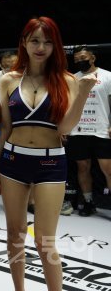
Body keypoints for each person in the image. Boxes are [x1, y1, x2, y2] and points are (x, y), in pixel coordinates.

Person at [0, 17, 97, 291]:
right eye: (35, 41)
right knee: (15, 235)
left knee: (44, 241)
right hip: (12, 160)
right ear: (24, 43)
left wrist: (83, 94)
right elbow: (6, 126)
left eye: (48, 42)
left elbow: (65, 128)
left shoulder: (67, 80)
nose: (41, 47)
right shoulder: (8, 80)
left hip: (51, 163)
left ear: (56, 46)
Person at [65, 45, 111, 216]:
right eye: (76, 59)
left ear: (92, 58)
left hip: (102, 129)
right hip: (79, 129)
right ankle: (88, 202)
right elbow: (68, 104)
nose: (80, 61)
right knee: (83, 167)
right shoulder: (72, 79)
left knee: (108, 170)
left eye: (83, 58)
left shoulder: (107, 76)